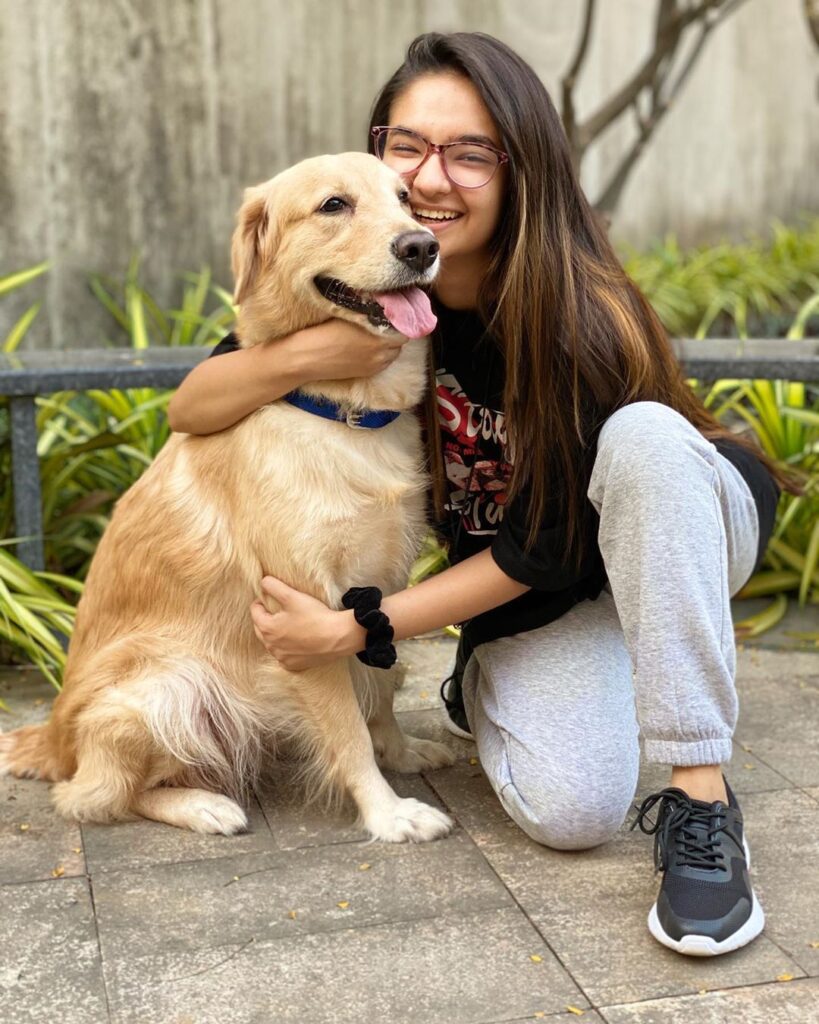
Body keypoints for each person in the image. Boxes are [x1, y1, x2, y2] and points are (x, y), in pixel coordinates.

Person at [168, 32, 788, 957]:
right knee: (571, 809)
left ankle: (703, 807)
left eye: (470, 151)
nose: (430, 177)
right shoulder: (370, 298)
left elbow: (542, 545)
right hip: (548, 581)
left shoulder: (573, 309)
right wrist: (304, 355)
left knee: (646, 440)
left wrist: (356, 630)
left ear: (519, 166)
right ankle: (537, 672)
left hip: (677, 521)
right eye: (407, 146)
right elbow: (195, 402)